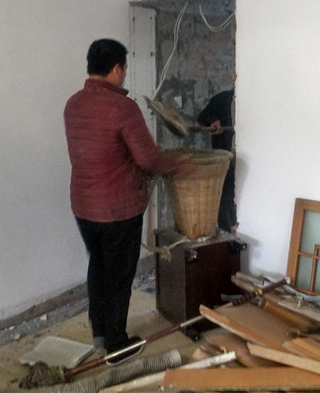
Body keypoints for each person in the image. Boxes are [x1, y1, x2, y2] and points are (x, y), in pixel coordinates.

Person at [63, 39, 190, 364]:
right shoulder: (123, 108)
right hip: (118, 210)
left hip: (84, 207)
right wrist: (177, 165)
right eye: (125, 69)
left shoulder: (73, 104)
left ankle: (100, 334)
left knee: (98, 266)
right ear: (117, 69)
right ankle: (117, 345)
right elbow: (148, 158)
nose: (124, 75)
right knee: (119, 276)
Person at [197, 88, 237, 233]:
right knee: (225, 200)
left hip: (244, 162)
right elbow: (202, 117)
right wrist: (213, 120)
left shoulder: (254, 100)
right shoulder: (222, 99)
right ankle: (227, 236)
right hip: (224, 163)